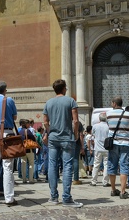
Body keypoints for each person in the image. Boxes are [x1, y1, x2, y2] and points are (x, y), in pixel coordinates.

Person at [43, 79, 83, 208]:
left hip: (53, 138)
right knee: (67, 167)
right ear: (64, 88)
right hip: (67, 137)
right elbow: (76, 120)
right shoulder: (70, 101)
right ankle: (66, 198)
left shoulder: (48, 103)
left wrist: (50, 132)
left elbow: (45, 122)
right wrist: (76, 133)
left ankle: (53, 197)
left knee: (52, 165)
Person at [106, 96, 129, 199]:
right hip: (125, 143)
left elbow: (109, 126)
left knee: (112, 165)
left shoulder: (108, 114)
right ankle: (123, 191)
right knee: (124, 166)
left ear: (114, 103)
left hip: (112, 143)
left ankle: (113, 190)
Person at [90, 112, 110, 187]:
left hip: (97, 148)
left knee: (96, 164)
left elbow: (92, 134)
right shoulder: (108, 126)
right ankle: (105, 181)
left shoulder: (95, 126)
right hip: (106, 148)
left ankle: (93, 181)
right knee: (106, 165)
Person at [19, 119, 36, 184]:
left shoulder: (20, 132)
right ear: (25, 124)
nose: (29, 125)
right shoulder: (28, 131)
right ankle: (31, 179)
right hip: (29, 149)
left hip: (22, 150)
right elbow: (33, 139)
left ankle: (24, 179)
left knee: (23, 164)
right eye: (28, 123)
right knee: (31, 164)